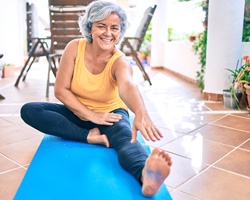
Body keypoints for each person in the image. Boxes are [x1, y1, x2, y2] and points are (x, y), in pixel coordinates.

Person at [20, 1, 172, 197]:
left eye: (114, 28)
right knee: (30, 110)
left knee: (126, 140)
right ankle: (89, 136)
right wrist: (92, 115)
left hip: (110, 115)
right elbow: (61, 90)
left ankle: (146, 175)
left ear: (120, 32)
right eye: (101, 25)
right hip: (78, 111)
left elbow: (127, 85)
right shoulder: (74, 48)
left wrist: (141, 112)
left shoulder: (119, 61)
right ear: (89, 27)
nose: (108, 33)